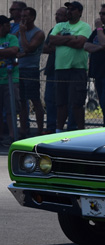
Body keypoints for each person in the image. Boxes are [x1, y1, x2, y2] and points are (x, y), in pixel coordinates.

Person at [49, 1, 91, 131]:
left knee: (76, 103)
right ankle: (59, 130)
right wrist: (72, 38)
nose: (69, 11)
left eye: (72, 9)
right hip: (61, 68)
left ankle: (80, 130)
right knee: (61, 102)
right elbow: (52, 40)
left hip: (77, 69)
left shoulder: (84, 26)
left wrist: (62, 39)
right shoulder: (60, 25)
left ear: (79, 12)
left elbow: (80, 43)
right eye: (68, 9)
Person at [16, 7, 45, 137]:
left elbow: (28, 48)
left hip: (30, 70)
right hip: (19, 69)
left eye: (26, 16)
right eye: (22, 16)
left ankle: (39, 130)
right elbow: (15, 49)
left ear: (32, 17)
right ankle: (23, 129)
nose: (23, 19)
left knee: (35, 100)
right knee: (21, 100)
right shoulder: (18, 32)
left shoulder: (38, 33)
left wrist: (22, 33)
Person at [42, 7, 68, 134]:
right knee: (49, 99)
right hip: (52, 68)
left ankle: (64, 127)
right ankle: (51, 127)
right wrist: (61, 44)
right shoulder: (53, 30)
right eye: (56, 14)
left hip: (66, 69)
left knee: (64, 100)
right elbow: (46, 48)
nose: (57, 17)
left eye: (61, 15)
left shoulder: (70, 29)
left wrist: (58, 43)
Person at [0, 15, 19, 146]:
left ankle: (12, 135)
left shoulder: (12, 37)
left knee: (11, 108)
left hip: (10, 79)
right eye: (7, 25)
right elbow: (9, 52)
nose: (10, 27)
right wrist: (5, 52)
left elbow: (14, 50)